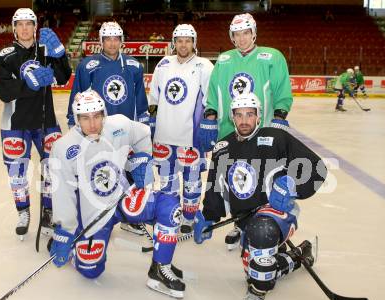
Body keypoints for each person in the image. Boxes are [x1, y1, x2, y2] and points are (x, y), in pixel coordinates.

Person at [193, 93, 327, 300]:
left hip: (278, 214)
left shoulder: (276, 137)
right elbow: (216, 189)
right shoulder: (223, 147)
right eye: (239, 115)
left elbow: (317, 169)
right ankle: (297, 257)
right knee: (257, 268)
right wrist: (208, 217)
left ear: (258, 116)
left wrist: (291, 186)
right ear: (232, 117)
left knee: (261, 237)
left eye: (250, 114)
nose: (244, 120)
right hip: (246, 220)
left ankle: (255, 295)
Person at [49, 90, 186, 298]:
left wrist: (142, 159)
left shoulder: (118, 125)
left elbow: (142, 134)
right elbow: (63, 194)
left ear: (104, 113)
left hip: (123, 197)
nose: (92, 124)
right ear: (77, 119)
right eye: (85, 118)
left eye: (97, 116)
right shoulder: (64, 147)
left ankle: (159, 269)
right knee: (91, 272)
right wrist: (64, 231)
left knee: (170, 207)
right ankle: (78, 247)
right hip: (94, 214)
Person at [202, 12, 293, 249]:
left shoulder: (271, 57)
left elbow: (282, 89)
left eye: (246, 33)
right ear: (232, 37)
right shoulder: (223, 60)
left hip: (261, 132)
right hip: (229, 132)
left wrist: (280, 116)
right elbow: (214, 92)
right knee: (235, 179)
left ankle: (265, 221)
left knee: (262, 178)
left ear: (254, 33)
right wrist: (210, 116)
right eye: (236, 35)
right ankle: (240, 224)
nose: (241, 39)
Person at [0, 8, 72, 240]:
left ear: (35, 27)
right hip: (15, 122)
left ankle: (48, 211)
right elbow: (3, 91)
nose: (25, 28)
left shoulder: (46, 50)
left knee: (53, 168)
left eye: (29, 24)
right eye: (20, 24)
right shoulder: (4, 54)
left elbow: (63, 77)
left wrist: (60, 54)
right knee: (17, 172)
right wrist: (31, 84)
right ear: (14, 28)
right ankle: (23, 212)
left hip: (46, 121)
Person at [66, 21, 149, 236]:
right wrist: (71, 121)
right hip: (97, 130)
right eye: (108, 39)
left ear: (121, 41)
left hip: (126, 130)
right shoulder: (88, 65)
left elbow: (140, 98)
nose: (112, 43)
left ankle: (129, 216)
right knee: (100, 172)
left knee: (129, 172)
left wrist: (144, 122)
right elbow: (77, 94)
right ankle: (98, 213)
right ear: (101, 41)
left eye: (116, 39)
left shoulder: (133, 66)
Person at [147, 24, 213, 233]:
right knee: (167, 181)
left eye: (188, 40)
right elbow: (154, 98)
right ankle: (170, 214)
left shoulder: (204, 66)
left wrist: (209, 124)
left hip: (191, 137)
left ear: (194, 42)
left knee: (192, 182)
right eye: (179, 40)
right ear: (174, 42)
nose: (183, 45)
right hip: (164, 136)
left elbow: (210, 101)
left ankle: (189, 217)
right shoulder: (164, 64)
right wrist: (152, 121)